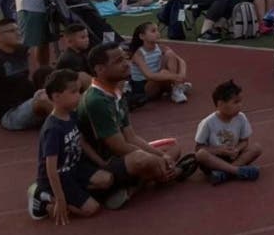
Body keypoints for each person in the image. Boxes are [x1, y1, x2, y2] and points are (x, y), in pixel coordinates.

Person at [78, 42, 193, 187]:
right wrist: (154, 158)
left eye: (125, 58)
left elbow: (131, 136)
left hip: (122, 155)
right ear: (100, 69)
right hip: (104, 161)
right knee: (143, 159)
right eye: (119, 61)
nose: (127, 64)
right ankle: (170, 173)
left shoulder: (116, 92)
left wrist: (161, 156)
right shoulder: (96, 100)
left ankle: (144, 180)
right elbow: (118, 146)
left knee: (172, 147)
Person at [29, 68, 127, 224]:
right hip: (59, 175)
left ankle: (75, 194)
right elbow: (51, 168)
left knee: (107, 179)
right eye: (74, 92)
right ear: (56, 97)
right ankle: (44, 198)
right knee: (91, 209)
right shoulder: (53, 129)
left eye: (79, 91)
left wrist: (101, 163)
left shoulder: (72, 115)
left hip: (75, 167)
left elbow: (81, 141)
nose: (79, 96)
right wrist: (60, 199)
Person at [193, 79, 262, 186]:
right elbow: (198, 148)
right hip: (215, 159)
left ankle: (224, 173)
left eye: (240, 101)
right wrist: (219, 151)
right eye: (235, 102)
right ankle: (237, 171)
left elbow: (245, 141)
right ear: (220, 104)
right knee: (201, 155)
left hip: (233, 156)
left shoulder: (241, 118)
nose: (240, 105)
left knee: (256, 148)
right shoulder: (207, 123)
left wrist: (237, 149)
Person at [128, 21, 190, 104]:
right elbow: (149, 75)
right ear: (142, 36)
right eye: (153, 31)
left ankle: (176, 88)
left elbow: (181, 61)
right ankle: (176, 87)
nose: (157, 33)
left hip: (159, 79)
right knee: (164, 73)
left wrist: (181, 75)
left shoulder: (161, 47)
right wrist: (175, 77)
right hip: (145, 87)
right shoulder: (138, 54)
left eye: (157, 30)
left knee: (170, 54)